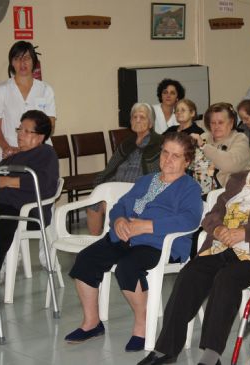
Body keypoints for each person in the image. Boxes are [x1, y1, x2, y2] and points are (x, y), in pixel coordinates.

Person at [137, 123, 250, 365]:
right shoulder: (237, 180)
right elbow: (212, 214)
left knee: (226, 279)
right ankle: (166, 350)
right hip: (221, 245)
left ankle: (210, 355)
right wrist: (219, 229)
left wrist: (244, 232)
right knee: (190, 273)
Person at [65, 132, 203, 352]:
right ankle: (92, 323)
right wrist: (118, 219)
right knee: (85, 260)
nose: (168, 159)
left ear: (187, 161)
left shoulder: (190, 188)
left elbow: (190, 219)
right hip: (125, 236)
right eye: (165, 153)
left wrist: (147, 225)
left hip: (159, 243)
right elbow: (121, 204)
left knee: (127, 268)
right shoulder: (147, 180)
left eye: (176, 156)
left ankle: (142, 324)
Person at [0, 110, 58, 310]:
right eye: (20, 129)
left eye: (27, 131)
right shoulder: (16, 154)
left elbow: (45, 184)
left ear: (39, 137)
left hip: (25, 209)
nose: (20, 134)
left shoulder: (46, 153)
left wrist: (6, 181)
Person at [86, 103, 164, 235]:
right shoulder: (127, 143)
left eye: (142, 117)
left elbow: (157, 173)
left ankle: (112, 242)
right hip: (114, 185)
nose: (137, 120)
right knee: (93, 205)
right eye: (135, 117)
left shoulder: (158, 143)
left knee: (107, 203)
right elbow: (110, 168)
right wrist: (99, 185)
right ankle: (95, 242)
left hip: (137, 189)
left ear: (151, 123)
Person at [0, 41, 56, 161]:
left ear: (33, 61)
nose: (22, 62)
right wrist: (6, 147)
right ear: (12, 63)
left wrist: (34, 146)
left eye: (27, 58)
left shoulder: (46, 89)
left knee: (41, 179)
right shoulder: (1, 90)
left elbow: (50, 124)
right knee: (10, 180)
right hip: (11, 152)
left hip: (40, 152)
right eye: (17, 58)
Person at [190, 102, 250, 194]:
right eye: (213, 123)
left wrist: (203, 146)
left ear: (231, 123)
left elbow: (230, 164)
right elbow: (189, 162)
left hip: (228, 195)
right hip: (197, 191)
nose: (216, 126)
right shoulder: (204, 137)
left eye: (221, 122)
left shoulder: (240, 139)